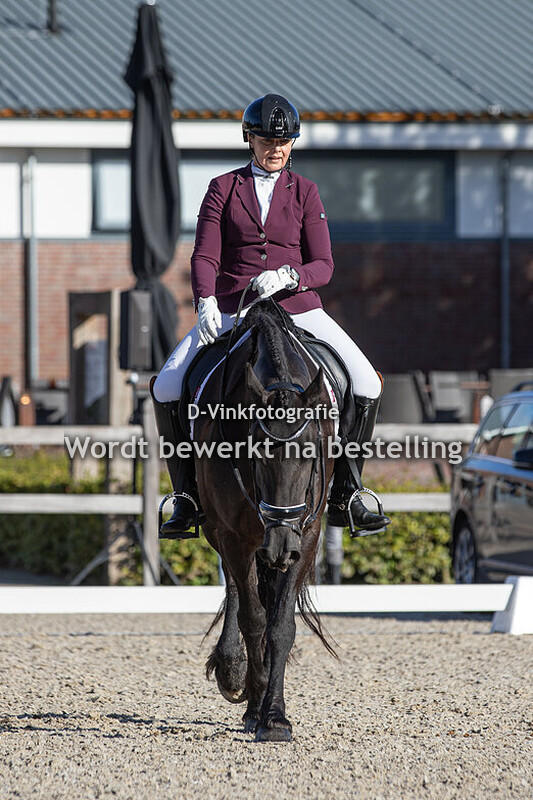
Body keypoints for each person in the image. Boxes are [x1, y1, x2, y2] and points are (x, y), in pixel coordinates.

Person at [152, 93, 390, 538]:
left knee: (366, 381)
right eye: (266, 140)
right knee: (167, 384)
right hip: (232, 306)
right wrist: (205, 300)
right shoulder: (223, 187)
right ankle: (185, 495)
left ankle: (348, 490)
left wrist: (288, 276)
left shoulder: (305, 191)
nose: (275, 149)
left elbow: (324, 264)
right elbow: (205, 255)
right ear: (250, 139)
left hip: (295, 306)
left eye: (284, 141)